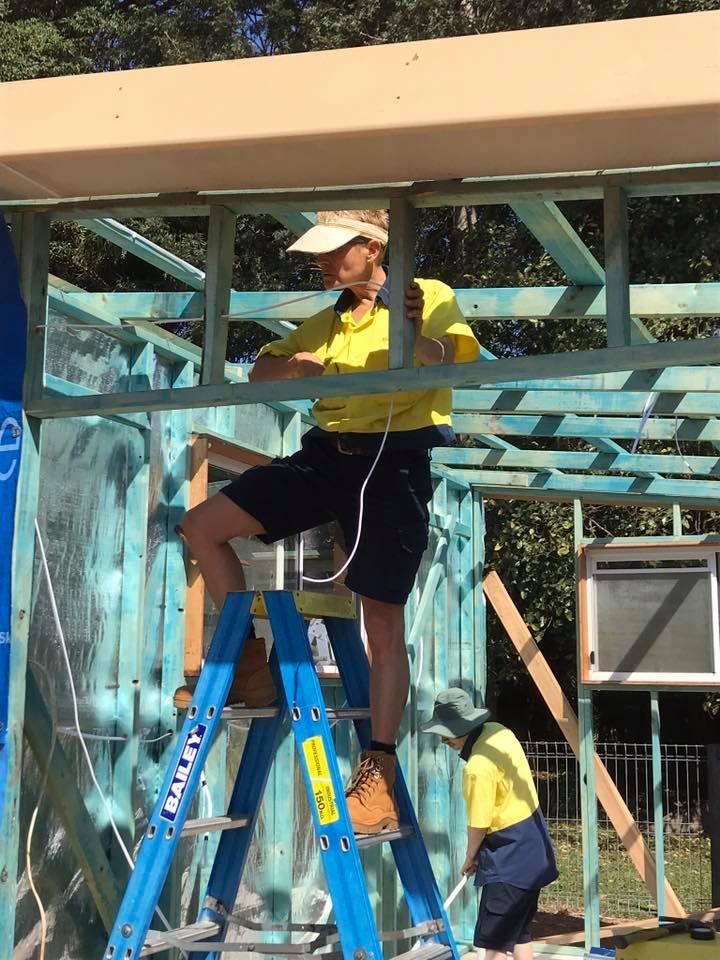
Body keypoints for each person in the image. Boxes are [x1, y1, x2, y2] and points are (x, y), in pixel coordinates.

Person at [178, 210, 480, 833]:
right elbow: (261, 371)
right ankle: (250, 665)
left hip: (393, 461)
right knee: (202, 526)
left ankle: (379, 770)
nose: (320, 263)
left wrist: (412, 326)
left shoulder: (432, 297)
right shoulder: (333, 316)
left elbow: (452, 361)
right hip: (326, 454)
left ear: (373, 248)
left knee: (382, 621)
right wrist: (294, 370)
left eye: (333, 252)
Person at [422, 689, 558, 959]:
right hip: (534, 848)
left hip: (510, 857)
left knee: (494, 942)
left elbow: (479, 823)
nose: (443, 740)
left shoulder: (477, 767)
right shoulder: (498, 732)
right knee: (518, 932)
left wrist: (470, 856)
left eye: (446, 733)